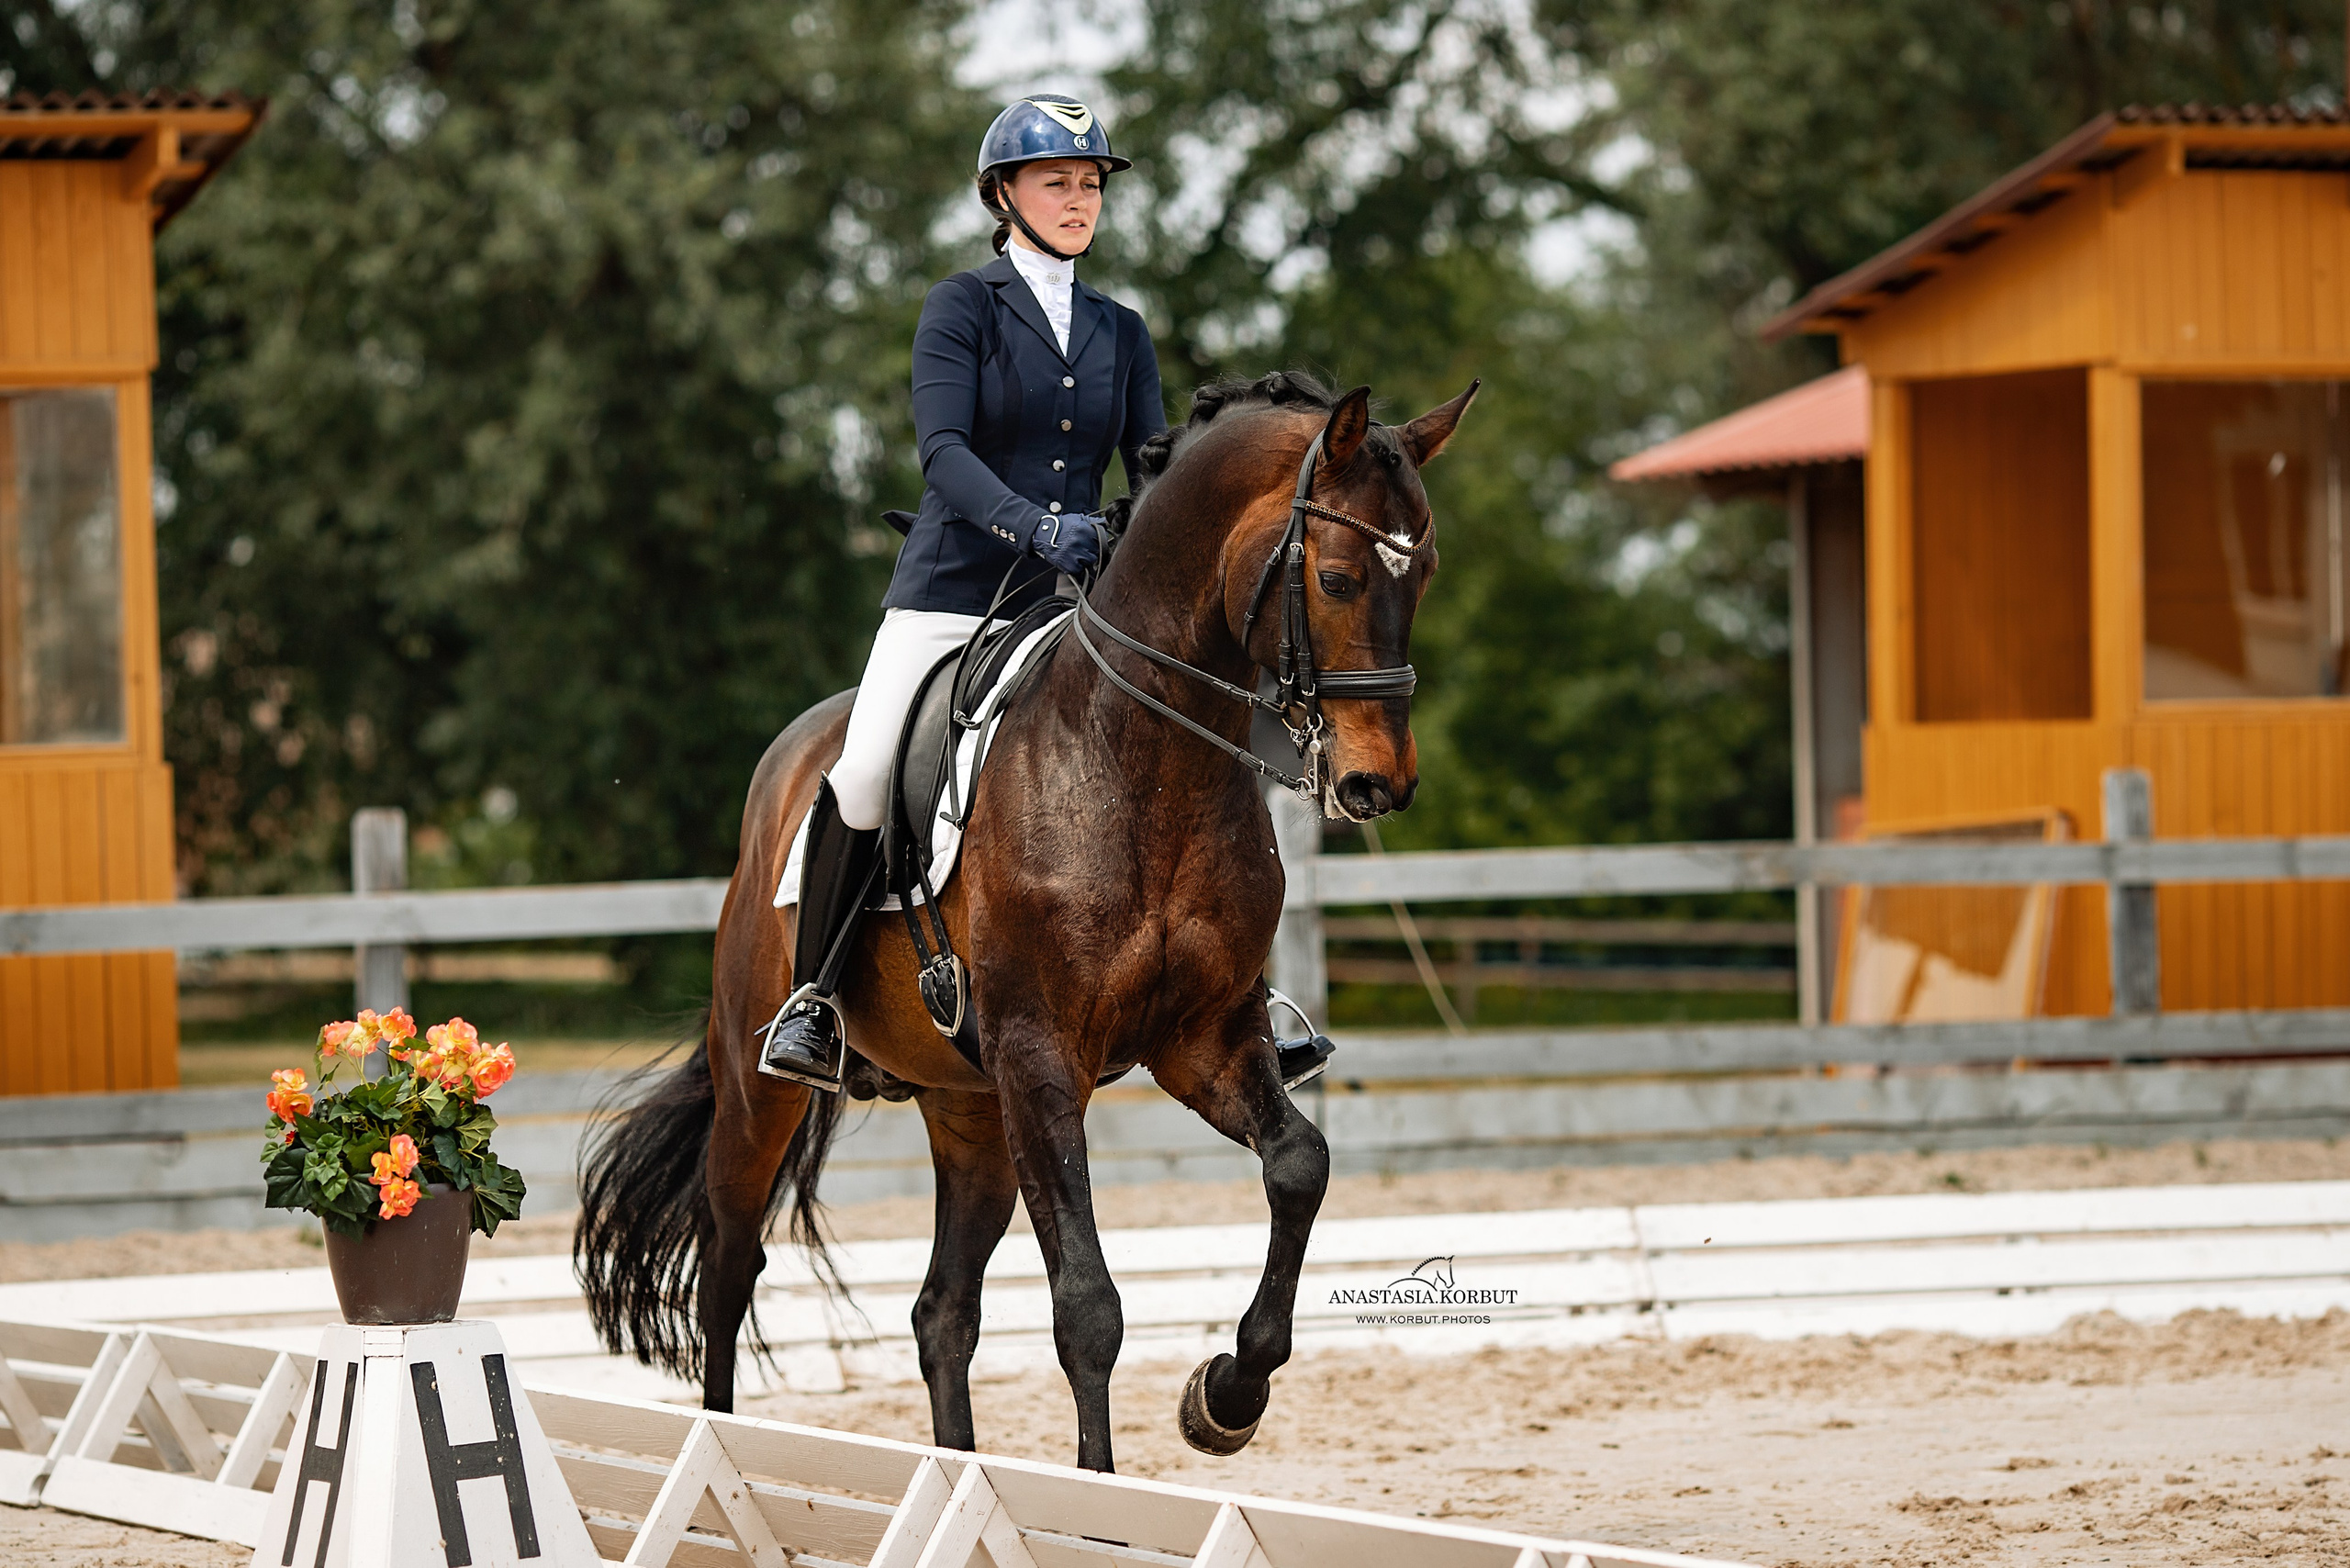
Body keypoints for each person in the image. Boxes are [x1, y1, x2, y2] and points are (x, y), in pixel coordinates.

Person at [760, 94, 1167, 1090]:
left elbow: (1153, 465)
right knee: (863, 772)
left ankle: (1240, 993)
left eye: (1090, 183)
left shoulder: (1121, 330)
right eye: (1056, 182)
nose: (1079, 199)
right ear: (1003, 195)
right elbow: (943, 452)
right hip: (953, 591)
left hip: (1074, 605)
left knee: (1185, 747)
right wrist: (1035, 526)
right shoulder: (962, 307)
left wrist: (1134, 536)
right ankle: (814, 999)